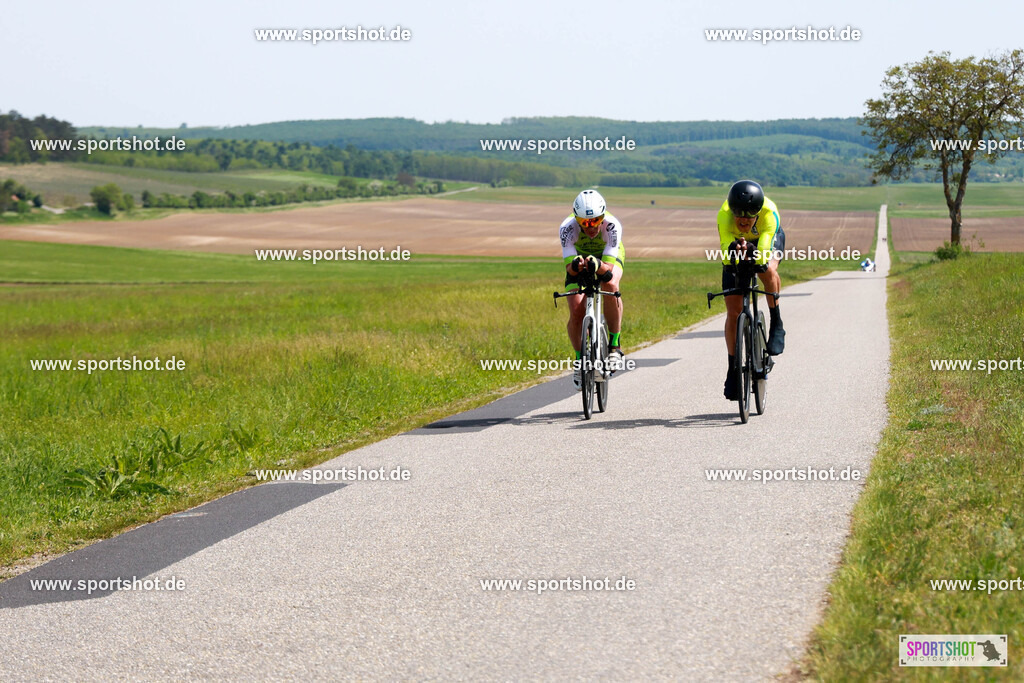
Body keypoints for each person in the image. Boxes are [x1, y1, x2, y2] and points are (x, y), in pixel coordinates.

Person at [718, 180, 785, 401]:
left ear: (758, 212)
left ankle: (776, 321)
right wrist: (733, 257)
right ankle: (732, 368)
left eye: (749, 215)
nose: (744, 219)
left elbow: (764, 251)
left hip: (766, 240)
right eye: (739, 214)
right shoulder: (724, 215)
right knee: (733, 310)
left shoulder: (769, 213)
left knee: (768, 269)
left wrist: (756, 258)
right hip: (737, 243)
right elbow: (725, 249)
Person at [559, 189, 625, 390]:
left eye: (596, 220)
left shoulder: (612, 226)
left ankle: (614, 346)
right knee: (576, 310)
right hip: (579, 257)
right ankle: (580, 360)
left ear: (603, 217)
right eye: (585, 222)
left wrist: (598, 265)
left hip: (606, 258)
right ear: (577, 220)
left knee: (610, 285)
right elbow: (570, 269)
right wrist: (577, 265)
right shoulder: (567, 228)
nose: (592, 227)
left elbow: (608, 271)